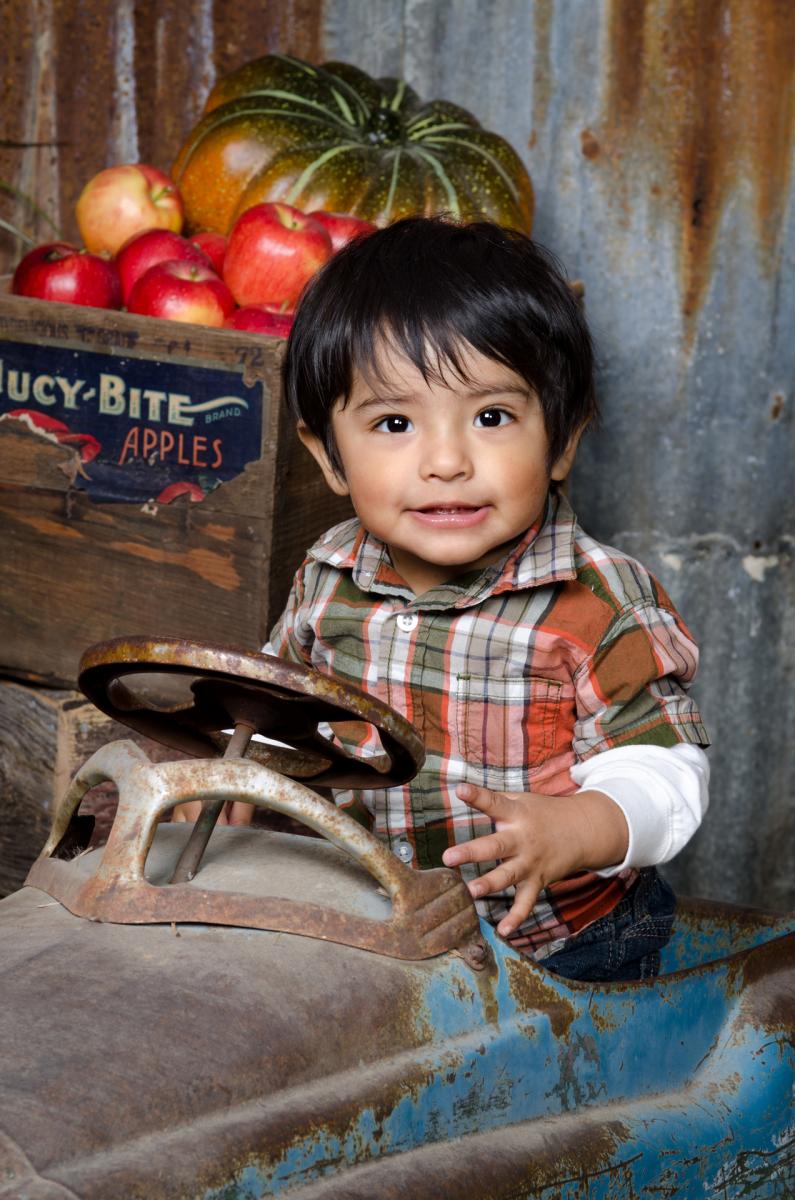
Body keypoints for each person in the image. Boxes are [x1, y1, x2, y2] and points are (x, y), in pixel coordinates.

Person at [236, 216, 711, 981]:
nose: (446, 461)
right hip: (374, 927)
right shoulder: (327, 577)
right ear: (328, 455)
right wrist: (247, 770)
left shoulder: (596, 601)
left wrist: (578, 828)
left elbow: (666, 770)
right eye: (394, 422)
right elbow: (286, 708)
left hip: (559, 942)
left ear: (561, 440)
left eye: (491, 417)